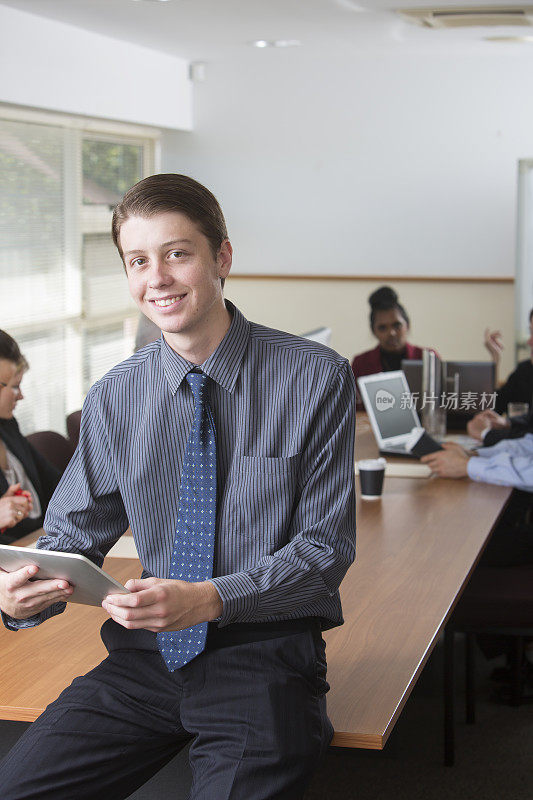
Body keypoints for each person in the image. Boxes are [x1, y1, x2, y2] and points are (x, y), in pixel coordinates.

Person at [0, 174, 357, 800]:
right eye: (138, 261)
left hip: (263, 659)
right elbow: (74, 533)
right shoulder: (115, 395)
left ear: (221, 256)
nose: (157, 278)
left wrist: (209, 598)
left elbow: (324, 552)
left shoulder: (313, 377)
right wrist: (24, 595)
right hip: (144, 659)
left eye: (177, 253)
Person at [0, 330, 61, 543]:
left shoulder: (7, 426)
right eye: (14, 386)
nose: (21, 395)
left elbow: (58, 484)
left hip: (40, 546)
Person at [351, 286, 437, 406]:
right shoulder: (361, 363)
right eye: (382, 328)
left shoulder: (427, 357)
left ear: (407, 326)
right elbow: (353, 407)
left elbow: (440, 402)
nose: (391, 333)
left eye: (397, 325)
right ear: (373, 331)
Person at [468, 310, 533, 443]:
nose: (529, 341)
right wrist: (494, 361)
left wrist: (485, 434)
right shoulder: (525, 370)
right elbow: (495, 407)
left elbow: (529, 439)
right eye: (531, 332)